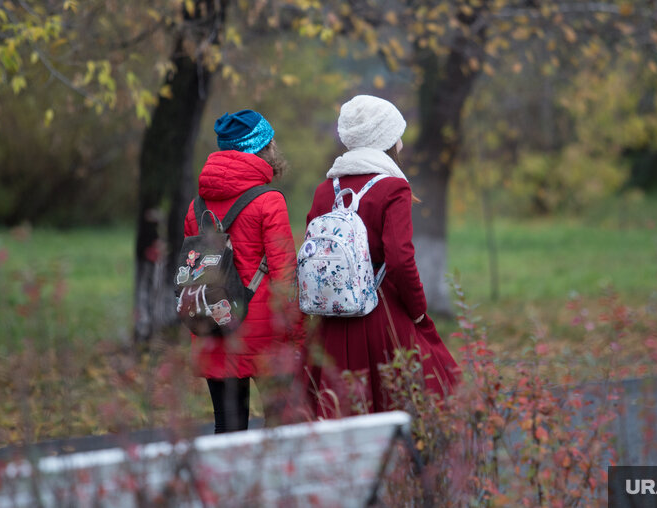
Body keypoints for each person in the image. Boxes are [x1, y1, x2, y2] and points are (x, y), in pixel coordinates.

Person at [303, 95, 459, 417]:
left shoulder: (325, 189)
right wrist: (417, 311)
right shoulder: (392, 187)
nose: (401, 143)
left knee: (335, 409)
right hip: (381, 311)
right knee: (411, 398)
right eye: (397, 135)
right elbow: (400, 259)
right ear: (385, 139)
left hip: (331, 319)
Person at [183, 109, 300, 433]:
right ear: (263, 147)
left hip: (214, 328)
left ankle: (226, 486)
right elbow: (285, 277)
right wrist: (300, 335)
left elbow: (192, 273)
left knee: (228, 428)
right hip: (264, 335)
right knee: (282, 428)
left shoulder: (197, 206)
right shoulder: (269, 201)